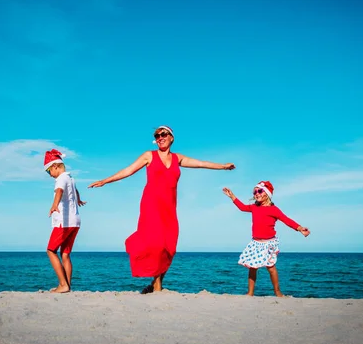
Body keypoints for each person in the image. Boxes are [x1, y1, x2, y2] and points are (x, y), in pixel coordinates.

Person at [88, 125, 235, 294]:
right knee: (155, 243)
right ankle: (156, 285)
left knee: (169, 246)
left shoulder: (177, 158)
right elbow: (128, 170)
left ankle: (156, 282)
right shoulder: (149, 156)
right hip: (151, 205)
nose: (160, 137)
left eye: (164, 134)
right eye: (157, 135)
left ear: (171, 137)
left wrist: (223, 166)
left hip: (170, 208)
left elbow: (200, 163)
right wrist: (106, 180)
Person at [222, 181, 310, 297]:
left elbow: (286, 220)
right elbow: (242, 207)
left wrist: (299, 228)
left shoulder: (274, 209)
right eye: (254, 192)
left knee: (271, 267)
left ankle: (278, 292)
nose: (256, 194)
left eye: (259, 191)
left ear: (267, 194)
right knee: (252, 267)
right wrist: (232, 196)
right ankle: (250, 293)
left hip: (269, 243)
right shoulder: (254, 207)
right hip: (256, 243)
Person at [44, 149, 87, 293]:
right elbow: (75, 191)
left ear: (55, 166)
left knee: (50, 250)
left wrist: (54, 205)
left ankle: (63, 285)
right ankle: (67, 286)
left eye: (48, 171)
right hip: (75, 222)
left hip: (64, 222)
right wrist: (78, 199)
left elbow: (59, 191)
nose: (49, 175)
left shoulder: (61, 179)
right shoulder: (70, 178)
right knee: (65, 254)